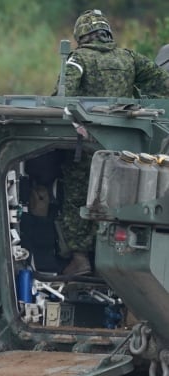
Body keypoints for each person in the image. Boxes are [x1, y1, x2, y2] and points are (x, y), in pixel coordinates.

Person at [56, 9, 169, 275]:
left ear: (81, 35)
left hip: (87, 146)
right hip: (127, 147)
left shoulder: (78, 58)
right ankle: (109, 257)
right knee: (115, 200)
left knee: (77, 196)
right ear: (107, 33)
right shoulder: (129, 58)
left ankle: (80, 257)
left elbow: (62, 96)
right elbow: (163, 84)